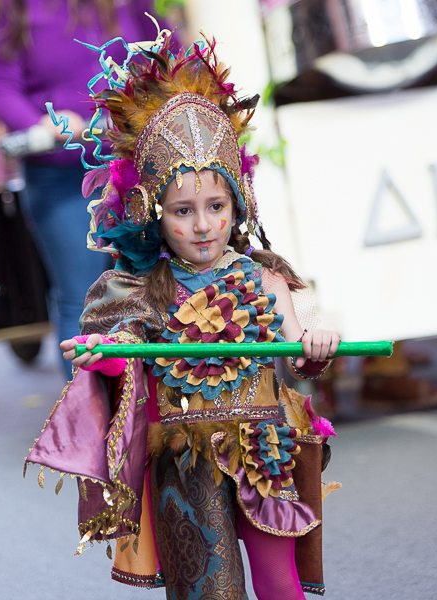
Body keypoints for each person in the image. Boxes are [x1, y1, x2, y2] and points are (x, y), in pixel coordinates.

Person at [24, 34, 341, 599]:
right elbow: (121, 357)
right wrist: (105, 358)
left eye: (216, 207)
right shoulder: (139, 287)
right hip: (183, 467)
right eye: (183, 211)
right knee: (207, 592)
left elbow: (295, 350)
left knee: (280, 586)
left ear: (239, 200)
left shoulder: (264, 277)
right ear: (151, 212)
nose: (202, 225)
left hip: (264, 453)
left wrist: (315, 344)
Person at [0, 0, 165, 378]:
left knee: (155, 291)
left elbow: (166, 55)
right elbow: (0, 86)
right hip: (60, 176)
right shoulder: (9, 9)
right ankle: (88, 422)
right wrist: (41, 124)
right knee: (83, 300)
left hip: (136, 167)